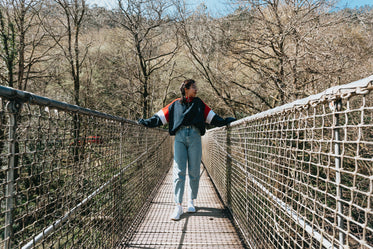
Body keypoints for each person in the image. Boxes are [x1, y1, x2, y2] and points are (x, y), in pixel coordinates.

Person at [138, 79, 236, 220]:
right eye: (193, 87)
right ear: (186, 89)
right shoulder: (175, 104)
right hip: (179, 137)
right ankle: (178, 206)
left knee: (194, 170)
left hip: (195, 137)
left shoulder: (199, 104)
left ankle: (191, 201)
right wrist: (145, 122)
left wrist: (227, 121)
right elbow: (159, 118)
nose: (196, 89)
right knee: (179, 171)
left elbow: (213, 118)